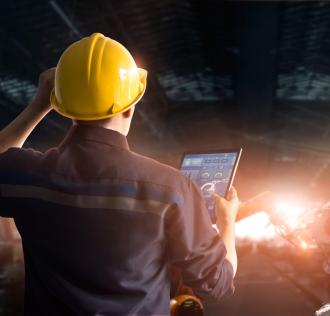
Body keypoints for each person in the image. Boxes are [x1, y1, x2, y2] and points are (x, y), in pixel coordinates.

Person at [0, 33, 238, 315]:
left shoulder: (31, 175)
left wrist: (40, 103)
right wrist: (227, 222)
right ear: (129, 107)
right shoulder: (171, 188)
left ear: (63, 107)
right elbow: (217, 282)